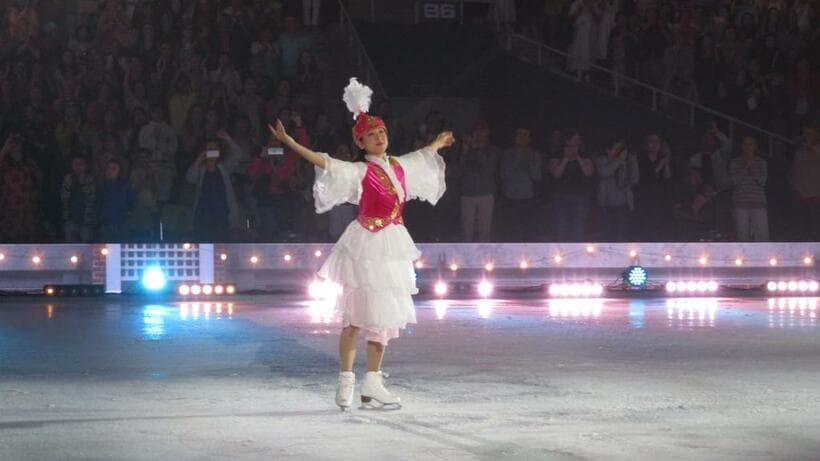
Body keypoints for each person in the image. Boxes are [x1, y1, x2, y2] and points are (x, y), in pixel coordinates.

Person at [269, 78, 454, 410]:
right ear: (361, 142)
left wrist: (438, 143)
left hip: (393, 244)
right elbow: (324, 162)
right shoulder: (358, 171)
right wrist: (290, 142)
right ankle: (346, 380)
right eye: (372, 135)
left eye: (382, 132)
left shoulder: (398, 166)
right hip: (365, 245)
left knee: (385, 317)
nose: (379, 137)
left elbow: (420, 156)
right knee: (354, 318)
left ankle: (373, 383)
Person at [728, 136, 769, 241]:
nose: (748, 147)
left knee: (762, 235)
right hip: (740, 203)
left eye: (750, 144)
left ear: (755, 146)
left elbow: (762, 181)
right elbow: (734, 182)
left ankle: (762, 257)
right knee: (743, 236)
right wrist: (746, 167)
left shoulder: (761, 162)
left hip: (758, 203)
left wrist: (752, 168)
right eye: (745, 144)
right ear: (742, 146)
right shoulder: (735, 162)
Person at [60, 155, 97, 243]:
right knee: (71, 248)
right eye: (75, 164)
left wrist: (82, 182)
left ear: (85, 166)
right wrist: (69, 184)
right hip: (70, 218)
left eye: (81, 164)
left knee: (86, 247)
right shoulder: (68, 179)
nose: (78, 166)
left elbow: (92, 198)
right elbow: (63, 197)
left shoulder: (90, 179)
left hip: (86, 219)